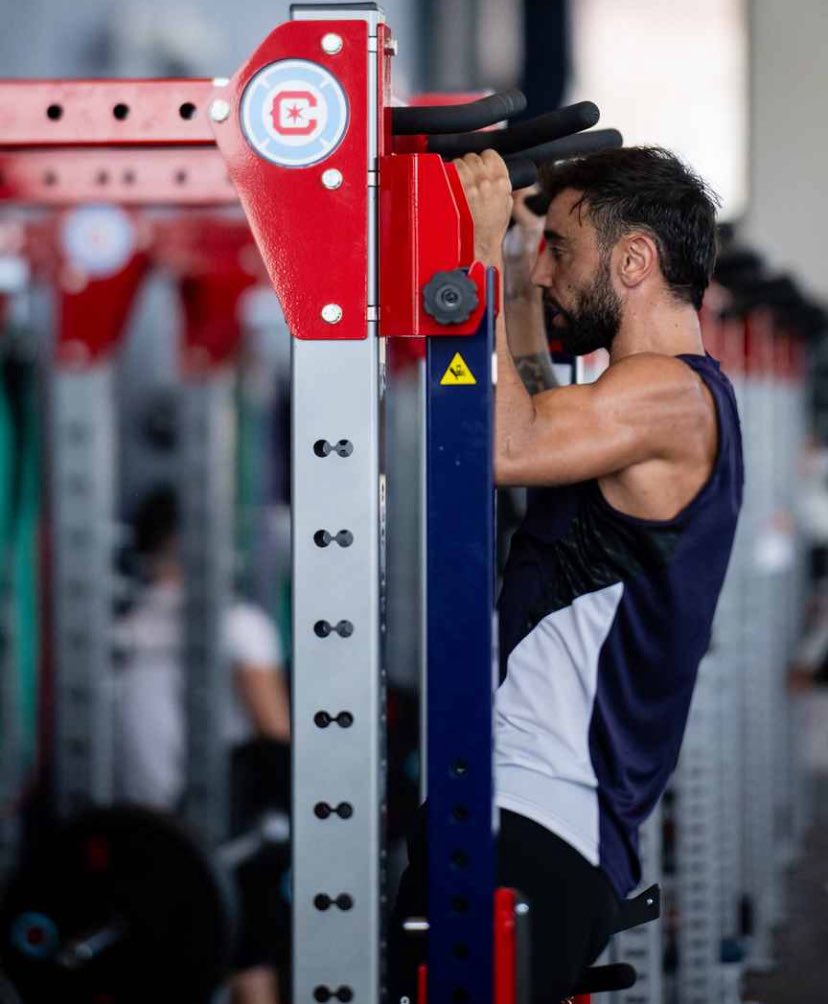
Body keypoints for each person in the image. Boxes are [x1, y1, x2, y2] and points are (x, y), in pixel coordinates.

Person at [391, 147, 744, 1002]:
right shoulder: (652, 398)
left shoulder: (665, 398)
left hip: (534, 822)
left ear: (633, 262)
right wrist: (509, 265)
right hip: (536, 818)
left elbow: (507, 444)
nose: (548, 268)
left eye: (561, 249)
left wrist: (468, 258)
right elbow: (536, 401)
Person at [112, 486, 290, 1004]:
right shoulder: (240, 626)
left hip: (142, 832)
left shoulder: (122, 630)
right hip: (218, 833)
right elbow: (275, 734)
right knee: (247, 962)